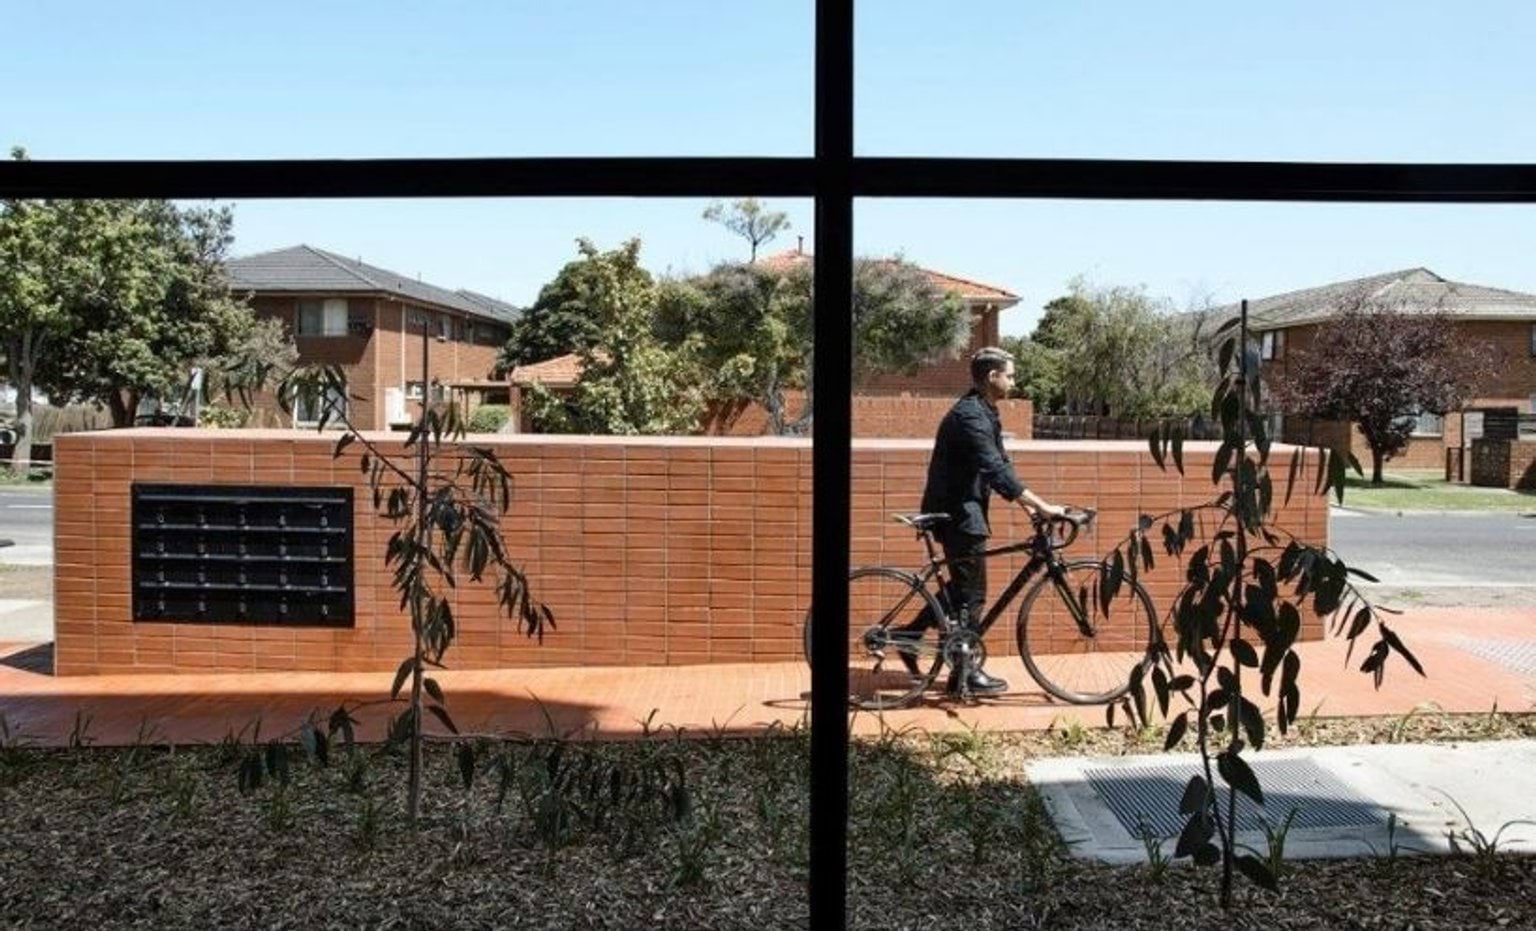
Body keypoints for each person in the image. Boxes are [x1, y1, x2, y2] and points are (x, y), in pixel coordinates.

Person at [908, 346, 1067, 695]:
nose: (1014, 380)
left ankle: (911, 636)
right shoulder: (970, 416)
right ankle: (965, 674)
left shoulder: (984, 411)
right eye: (1010, 374)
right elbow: (993, 469)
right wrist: (1041, 505)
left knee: (963, 588)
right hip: (958, 515)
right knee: (973, 595)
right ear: (993, 377)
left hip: (965, 511)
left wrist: (1031, 508)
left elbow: (1002, 466)